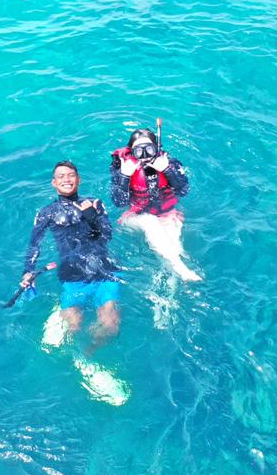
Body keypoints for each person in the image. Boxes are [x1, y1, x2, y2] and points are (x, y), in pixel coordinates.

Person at [22, 160, 121, 350]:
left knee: (110, 327)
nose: (66, 179)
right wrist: (28, 271)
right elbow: (34, 244)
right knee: (72, 327)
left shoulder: (94, 204)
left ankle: (88, 354)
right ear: (54, 183)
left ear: (79, 179)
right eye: (61, 176)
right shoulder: (47, 213)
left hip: (104, 269)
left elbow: (106, 236)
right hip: (73, 273)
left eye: (71, 175)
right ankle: (73, 354)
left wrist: (92, 218)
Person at [110, 128, 202, 282]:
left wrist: (166, 170)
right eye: (139, 151)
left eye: (149, 149)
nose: (145, 156)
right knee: (150, 221)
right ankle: (180, 268)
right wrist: (125, 176)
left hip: (167, 214)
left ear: (157, 149)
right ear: (131, 152)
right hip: (134, 217)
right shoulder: (123, 168)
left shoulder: (169, 163)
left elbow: (183, 191)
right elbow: (119, 202)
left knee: (175, 245)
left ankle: (172, 282)